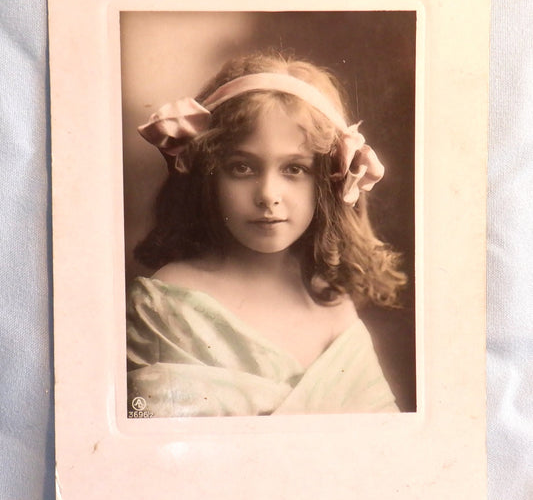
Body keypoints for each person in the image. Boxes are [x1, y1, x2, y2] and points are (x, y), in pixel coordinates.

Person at [126, 52, 407, 417]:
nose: (268, 194)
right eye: (242, 167)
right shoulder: (166, 303)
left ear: (328, 180)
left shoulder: (333, 308)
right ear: (207, 175)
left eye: (294, 169)